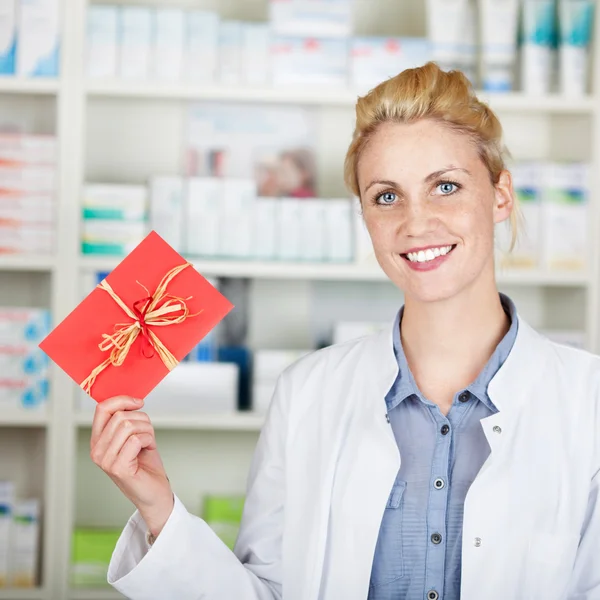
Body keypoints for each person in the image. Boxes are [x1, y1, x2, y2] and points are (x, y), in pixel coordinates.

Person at [90, 63, 600, 600]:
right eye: (386, 196)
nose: (415, 221)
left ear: (500, 196)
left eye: (445, 187)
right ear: (365, 217)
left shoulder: (587, 401)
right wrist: (157, 507)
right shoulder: (306, 393)